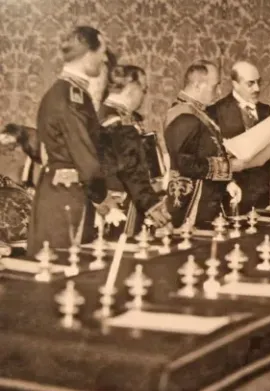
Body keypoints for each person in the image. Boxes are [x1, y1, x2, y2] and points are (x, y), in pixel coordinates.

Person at [27, 26, 117, 255]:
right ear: (88, 54)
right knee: (64, 268)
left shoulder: (65, 92)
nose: (104, 59)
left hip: (63, 194)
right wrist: (104, 199)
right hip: (67, 201)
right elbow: (84, 155)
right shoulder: (72, 97)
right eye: (102, 52)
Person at [163, 61, 244, 227]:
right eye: (215, 86)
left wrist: (228, 182)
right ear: (197, 85)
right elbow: (184, 164)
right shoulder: (183, 115)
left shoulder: (198, 112)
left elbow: (207, 152)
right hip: (190, 205)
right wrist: (229, 167)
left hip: (206, 201)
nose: (219, 92)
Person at [97, 65, 170, 236]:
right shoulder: (119, 122)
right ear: (132, 88)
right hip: (121, 201)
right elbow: (131, 168)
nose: (143, 96)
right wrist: (152, 205)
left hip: (108, 198)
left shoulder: (101, 113)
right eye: (143, 89)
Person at [207, 61, 270, 213]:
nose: (257, 88)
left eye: (258, 82)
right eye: (250, 84)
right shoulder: (215, 112)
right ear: (235, 84)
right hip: (232, 190)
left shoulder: (265, 110)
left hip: (262, 191)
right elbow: (212, 155)